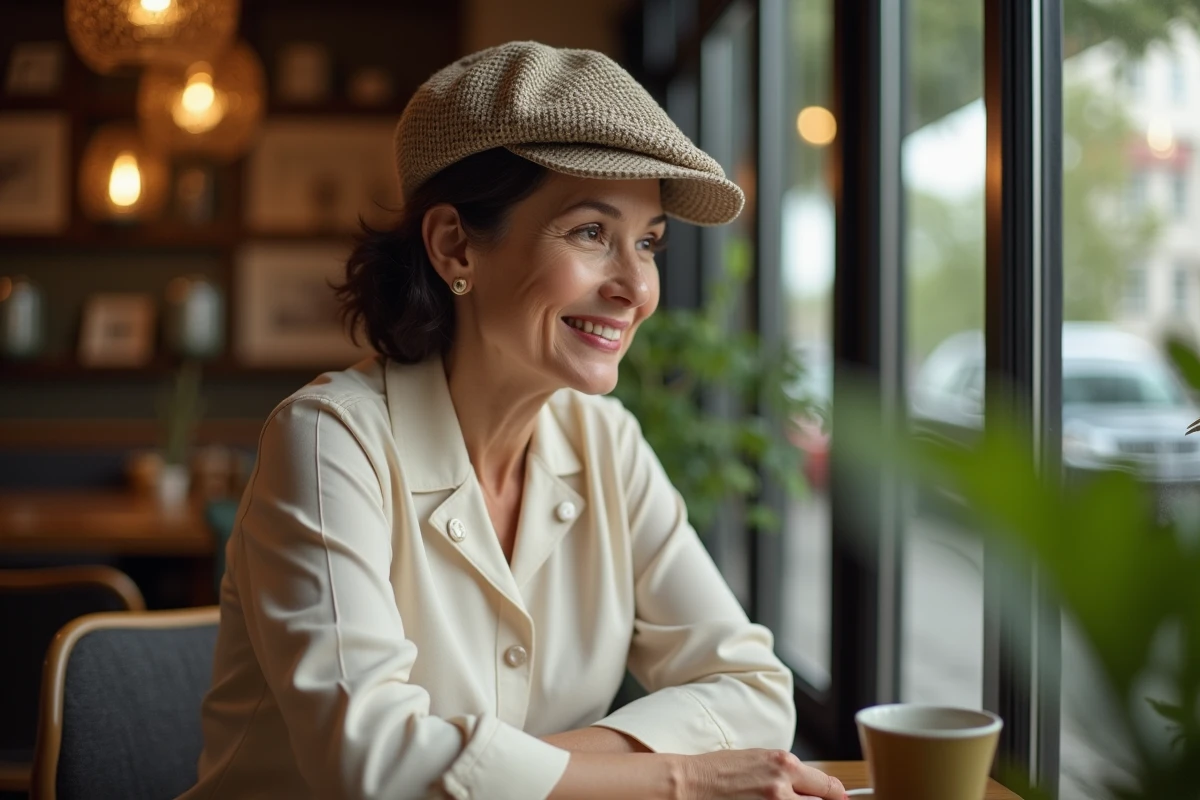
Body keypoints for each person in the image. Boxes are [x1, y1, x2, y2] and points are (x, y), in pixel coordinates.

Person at [179, 42, 846, 800]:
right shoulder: (331, 441)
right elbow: (373, 765)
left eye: (649, 242)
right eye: (592, 232)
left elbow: (755, 689)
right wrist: (678, 776)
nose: (636, 287)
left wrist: (509, 768)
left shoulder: (607, 443)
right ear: (454, 244)